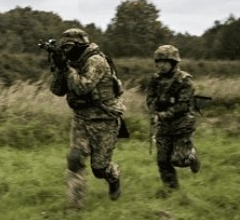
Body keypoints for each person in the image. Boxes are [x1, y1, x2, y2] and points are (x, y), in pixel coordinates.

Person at [48, 28, 126, 210]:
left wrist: (67, 68)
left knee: (100, 168)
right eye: (63, 47)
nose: (66, 51)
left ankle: (114, 177)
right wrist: (59, 67)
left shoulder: (96, 61)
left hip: (104, 119)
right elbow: (57, 90)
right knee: (74, 158)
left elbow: (82, 87)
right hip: (81, 118)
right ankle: (75, 206)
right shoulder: (71, 62)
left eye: (69, 47)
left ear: (80, 45)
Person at [145, 44, 201, 196]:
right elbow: (150, 97)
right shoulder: (155, 79)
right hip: (164, 125)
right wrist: (152, 109)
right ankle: (171, 191)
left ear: (173, 62)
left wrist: (161, 115)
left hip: (182, 124)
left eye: (165, 62)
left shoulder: (184, 80)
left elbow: (182, 106)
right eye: (159, 62)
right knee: (162, 160)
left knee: (179, 160)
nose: (161, 65)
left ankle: (191, 155)